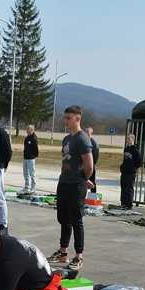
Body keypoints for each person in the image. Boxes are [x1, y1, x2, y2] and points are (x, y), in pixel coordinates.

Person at [47, 106, 94, 271]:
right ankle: (63, 252)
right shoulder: (67, 139)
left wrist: (83, 179)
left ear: (77, 119)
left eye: (69, 118)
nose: (65, 121)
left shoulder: (82, 139)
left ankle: (79, 255)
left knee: (76, 220)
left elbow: (89, 165)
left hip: (76, 185)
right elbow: (66, 161)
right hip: (64, 182)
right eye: (65, 117)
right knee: (63, 218)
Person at [119, 133, 142, 209]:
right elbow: (125, 160)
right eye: (127, 138)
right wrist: (122, 167)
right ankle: (123, 203)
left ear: (133, 139)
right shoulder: (126, 149)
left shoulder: (135, 150)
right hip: (124, 172)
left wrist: (134, 168)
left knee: (129, 188)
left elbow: (139, 162)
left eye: (129, 138)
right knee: (123, 188)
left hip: (131, 172)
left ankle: (129, 205)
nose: (127, 140)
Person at [22, 125, 39, 193]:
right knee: (25, 173)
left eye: (28, 129)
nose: (27, 131)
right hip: (25, 158)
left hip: (31, 159)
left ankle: (33, 187)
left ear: (32, 130)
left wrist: (34, 156)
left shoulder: (34, 138)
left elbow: (36, 149)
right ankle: (27, 187)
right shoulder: (27, 138)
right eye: (27, 129)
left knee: (32, 173)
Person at [86, 126, 99, 192]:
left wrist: (92, 164)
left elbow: (96, 155)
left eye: (88, 132)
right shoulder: (85, 141)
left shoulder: (94, 143)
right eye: (86, 132)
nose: (86, 133)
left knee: (92, 182)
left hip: (91, 165)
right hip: (84, 165)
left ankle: (93, 195)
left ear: (91, 133)